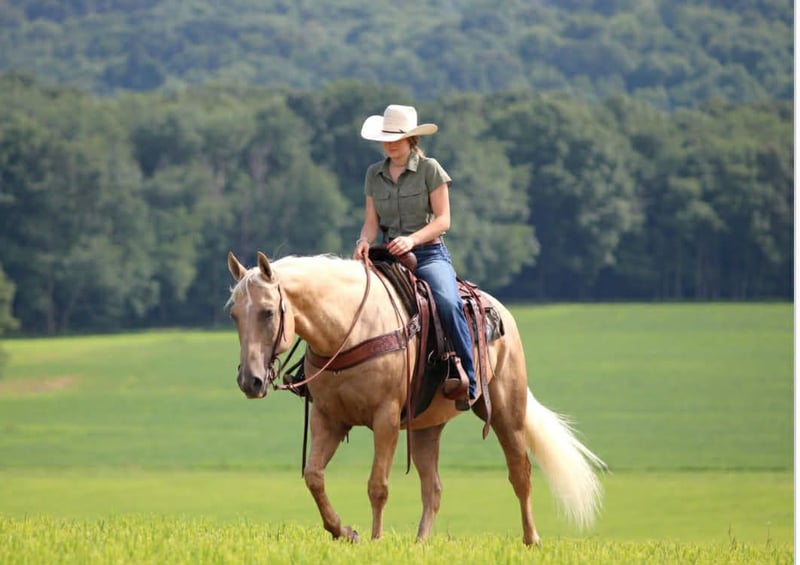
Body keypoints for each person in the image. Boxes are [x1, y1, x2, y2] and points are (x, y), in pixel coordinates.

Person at [353, 104, 477, 407]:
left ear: (411, 138)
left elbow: (443, 220)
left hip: (428, 253)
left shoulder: (429, 169)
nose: (390, 143)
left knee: (447, 302)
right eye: (386, 137)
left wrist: (411, 240)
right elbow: (371, 224)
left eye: (397, 137)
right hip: (388, 255)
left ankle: (468, 378)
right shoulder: (373, 174)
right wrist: (363, 241)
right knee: (352, 300)